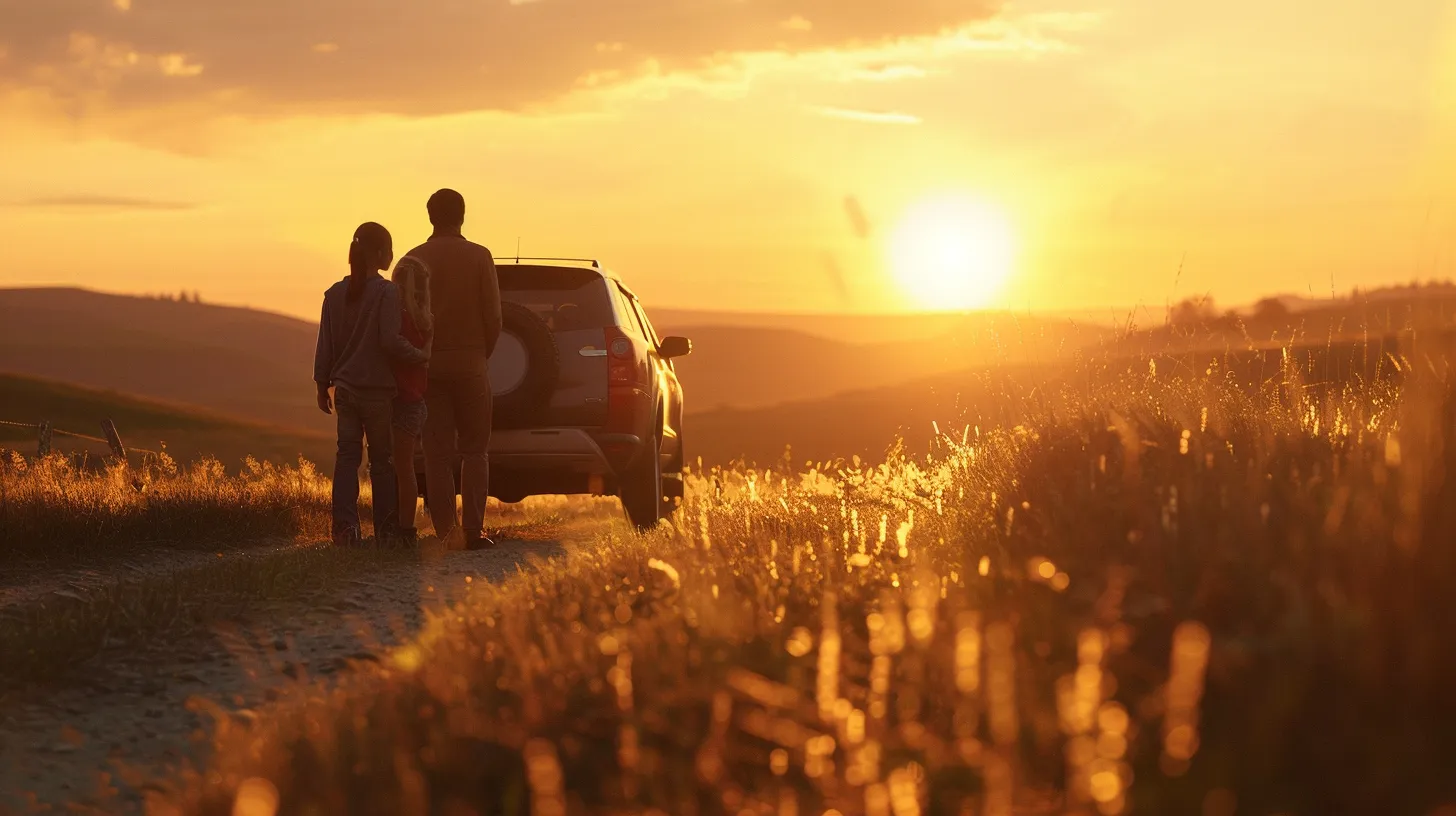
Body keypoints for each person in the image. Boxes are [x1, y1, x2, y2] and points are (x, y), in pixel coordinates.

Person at [313, 223, 430, 547]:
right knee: (382, 461)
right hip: (378, 392)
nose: (392, 256)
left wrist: (322, 384)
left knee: (347, 458)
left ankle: (345, 530)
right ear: (379, 254)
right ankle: (387, 530)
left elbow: (327, 345)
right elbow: (390, 341)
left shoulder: (334, 294)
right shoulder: (386, 292)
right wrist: (420, 355)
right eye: (389, 250)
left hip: (346, 391)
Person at [405, 189, 501, 550]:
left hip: (428, 365)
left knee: (436, 452)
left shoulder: (413, 260)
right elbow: (493, 315)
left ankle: (447, 533)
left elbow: (405, 316)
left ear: (431, 216)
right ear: (463, 215)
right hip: (471, 361)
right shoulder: (479, 256)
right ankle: (475, 531)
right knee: (476, 449)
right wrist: (481, 354)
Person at [389, 255, 433, 545]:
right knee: (405, 467)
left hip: (396, 399)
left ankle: (403, 529)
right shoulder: (428, 320)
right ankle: (404, 526)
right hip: (416, 400)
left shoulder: (397, 318)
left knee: (397, 466)